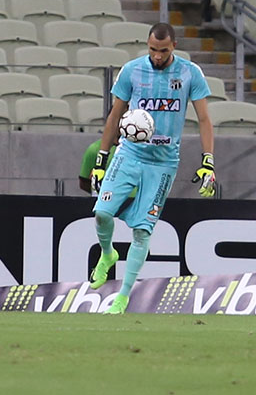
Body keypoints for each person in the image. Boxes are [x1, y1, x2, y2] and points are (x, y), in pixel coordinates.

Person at [89, 22, 216, 315]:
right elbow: (115, 115)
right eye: (152, 50)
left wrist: (207, 160)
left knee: (143, 232)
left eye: (163, 51)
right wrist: (101, 159)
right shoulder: (132, 70)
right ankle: (108, 255)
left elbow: (205, 120)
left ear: (174, 46)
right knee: (101, 213)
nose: (157, 56)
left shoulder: (189, 73)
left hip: (163, 164)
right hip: (129, 154)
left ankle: (121, 298)